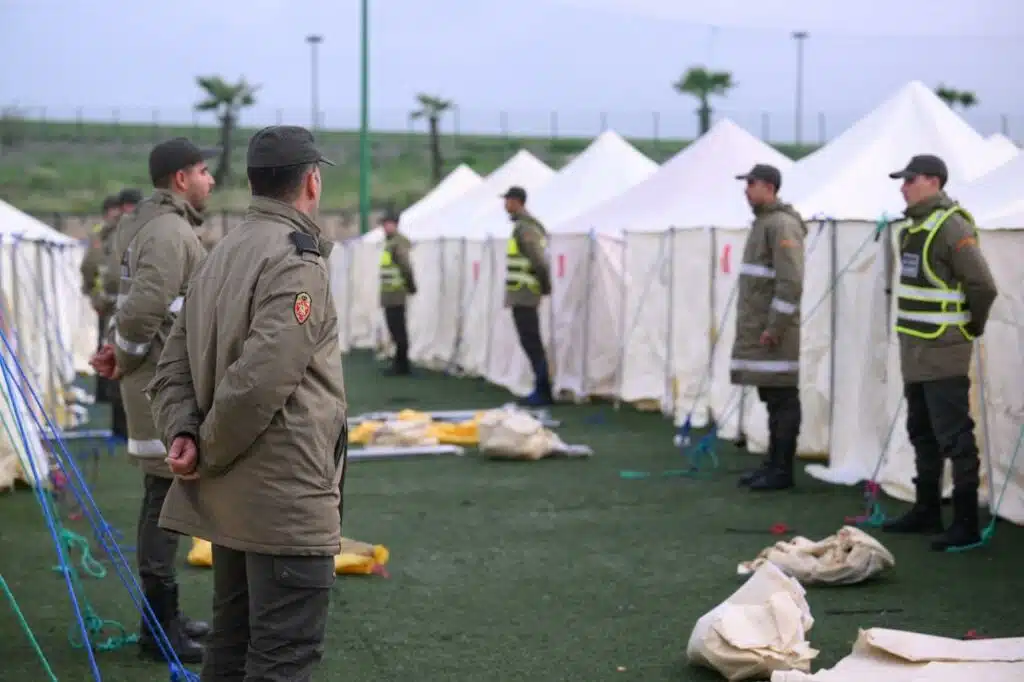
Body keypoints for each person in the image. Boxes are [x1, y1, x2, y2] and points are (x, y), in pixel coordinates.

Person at [147, 125, 348, 682]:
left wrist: (184, 434)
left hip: (231, 499)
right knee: (281, 657)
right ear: (311, 181)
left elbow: (173, 366)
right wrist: (203, 446)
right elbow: (262, 380)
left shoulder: (219, 252)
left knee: (232, 647)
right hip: (282, 496)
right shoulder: (296, 260)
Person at [90, 137, 217, 664]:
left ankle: (164, 621)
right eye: (204, 171)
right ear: (181, 178)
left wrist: (120, 351)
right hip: (161, 387)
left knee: (164, 501)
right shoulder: (168, 231)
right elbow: (143, 309)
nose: (211, 180)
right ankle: (159, 631)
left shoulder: (157, 225)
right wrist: (124, 353)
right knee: (165, 504)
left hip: (157, 382)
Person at [882, 154, 998, 551]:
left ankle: (965, 522)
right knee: (922, 433)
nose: (903, 186)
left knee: (954, 436)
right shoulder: (911, 229)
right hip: (915, 351)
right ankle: (927, 509)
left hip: (944, 349)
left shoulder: (951, 225)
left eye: (910, 179)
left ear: (933, 181)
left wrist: (971, 327)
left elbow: (983, 285)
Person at [731, 164, 807, 492]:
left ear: (770, 187)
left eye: (751, 183)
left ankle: (782, 470)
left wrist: (775, 327)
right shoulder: (764, 223)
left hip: (774, 332)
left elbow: (790, 283)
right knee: (771, 395)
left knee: (782, 398)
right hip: (760, 328)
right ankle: (773, 463)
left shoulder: (781, 225)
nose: (745, 189)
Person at [502, 185, 553, 406]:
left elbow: (539, 260)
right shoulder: (522, 226)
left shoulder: (526, 228)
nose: (505, 205)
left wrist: (545, 286)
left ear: (517, 202)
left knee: (532, 341)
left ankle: (543, 390)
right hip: (521, 293)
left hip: (525, 293)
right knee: (529, 341)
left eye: (508, 201)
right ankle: (541, 388)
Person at [81, 195, 123, 420]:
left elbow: (89, 266)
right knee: (113, 350)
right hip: (112, 302)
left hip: (106, 302)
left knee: (106, 347)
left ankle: (105, 395)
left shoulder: (103, 232)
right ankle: (111, 400)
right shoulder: (108, 233)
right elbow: (91, 264)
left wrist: (92, 293)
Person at [379, 210, 417, 375]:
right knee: (395, 329)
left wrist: (411, 286)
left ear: (395, 224)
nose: (385, 227)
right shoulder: (390, 243)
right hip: (389, 295)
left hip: (396, 294)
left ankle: (402, 365)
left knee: (398, 330)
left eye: (388, 223)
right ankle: (399, 363)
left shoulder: (397, 243)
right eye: (384, 224)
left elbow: (405, 266)